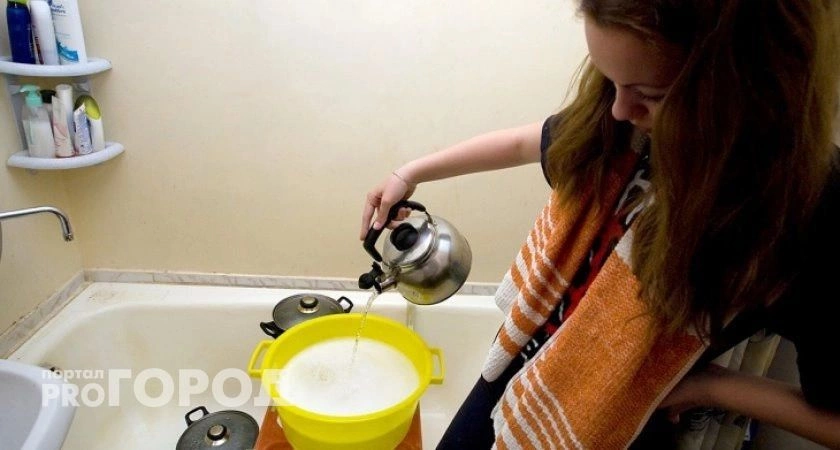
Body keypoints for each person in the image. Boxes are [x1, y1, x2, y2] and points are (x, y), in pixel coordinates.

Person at [361, 0, 840, 448]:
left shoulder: (799, 212)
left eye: (649, 95)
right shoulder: (618, 126)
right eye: (609, 81)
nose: (619, 110)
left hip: (618, 417)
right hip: (520, 369)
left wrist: (714, 386)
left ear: (747, 90)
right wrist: (410, 173)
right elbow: (530, 142)